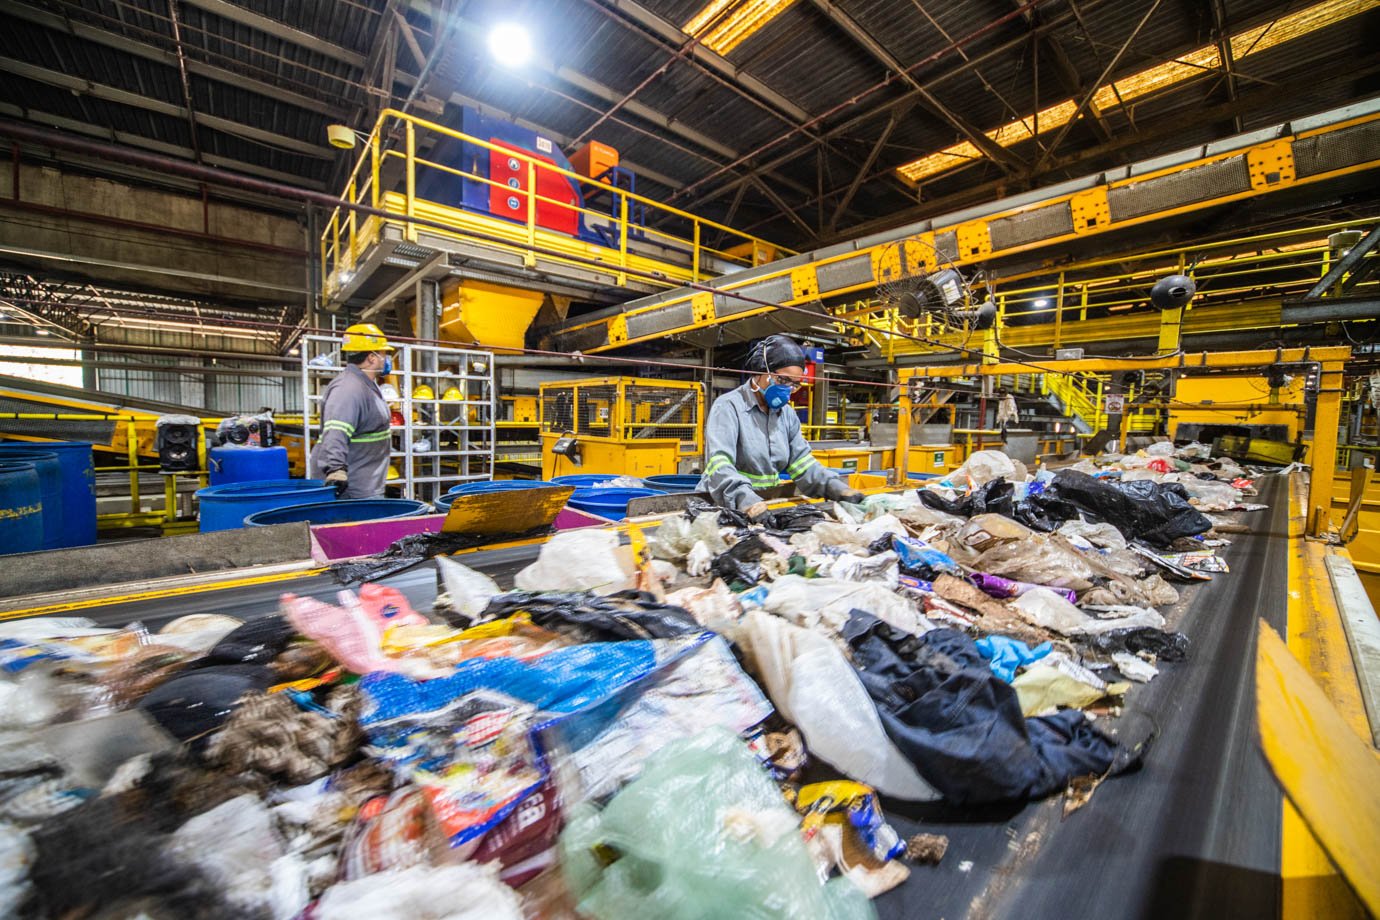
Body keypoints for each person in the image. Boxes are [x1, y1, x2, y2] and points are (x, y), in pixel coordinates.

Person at [702, 334, 865, 518]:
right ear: (762, 370)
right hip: (726, 507)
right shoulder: (728, 407)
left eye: (794, 384)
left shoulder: (787, 414)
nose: (788, 390)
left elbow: (803, 464)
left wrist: (837, 489)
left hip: (765, 504)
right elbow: (719, 465)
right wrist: (747, 502)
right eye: (783, 380)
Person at [309, 323, 394, 499]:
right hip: (353, 488)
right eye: (384, 354)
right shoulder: (348, 388)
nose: (386, 359)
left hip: (366, 480)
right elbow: (336, 430)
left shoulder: (364, 384)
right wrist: (336, 469)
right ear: (372, 357)